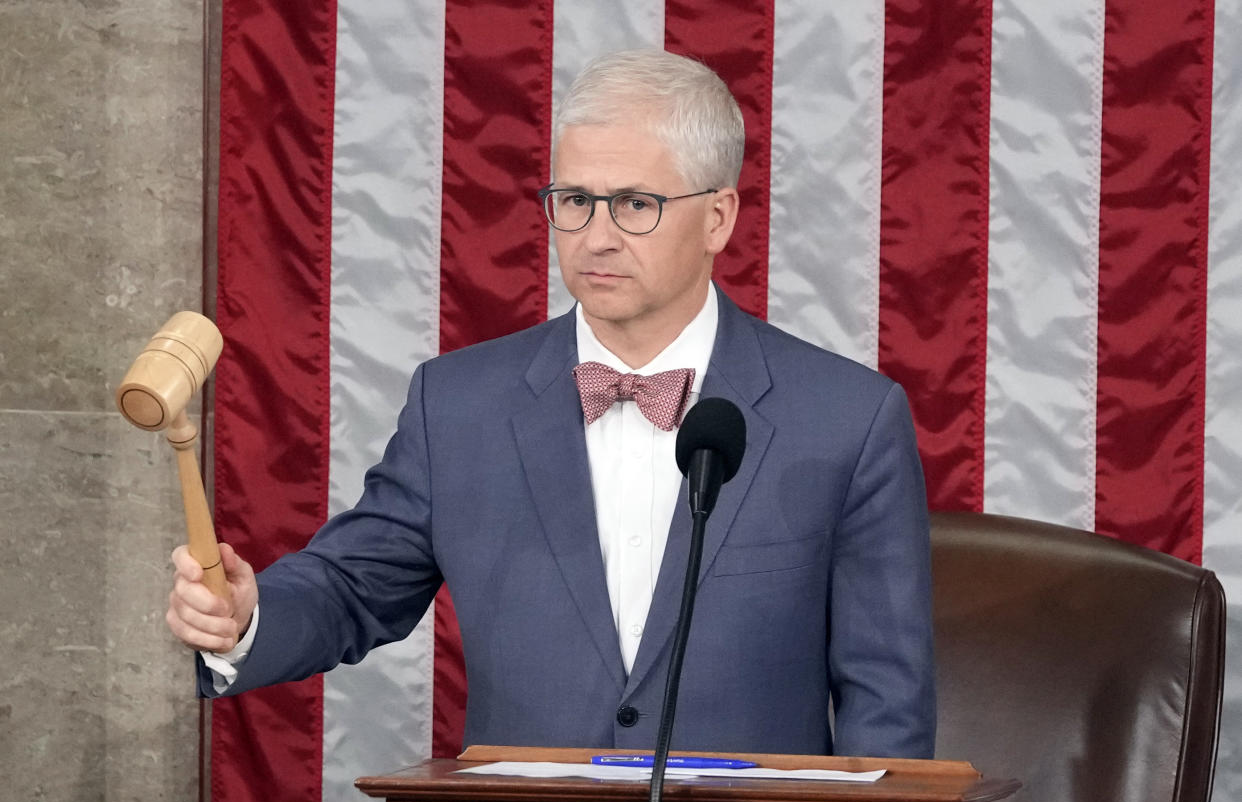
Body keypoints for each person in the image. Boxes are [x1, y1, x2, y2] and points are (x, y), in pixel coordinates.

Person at [167, 49, 935, 758]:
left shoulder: (847, 421)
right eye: (574, 200)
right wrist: (246, 616)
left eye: (634, 204)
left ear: (718, 219)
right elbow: (351, 586)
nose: (596, 237)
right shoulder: (457, 405)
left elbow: (887, 704)